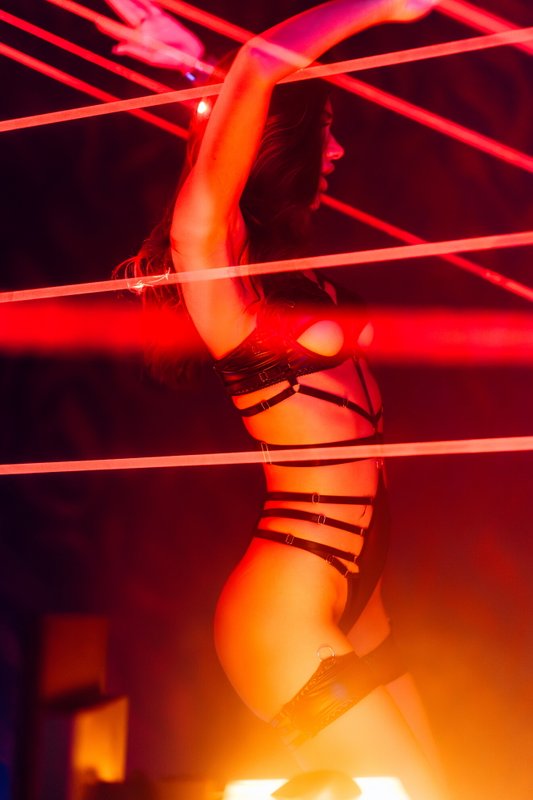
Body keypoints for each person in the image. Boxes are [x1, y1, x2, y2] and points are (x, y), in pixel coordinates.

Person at [120, 1, 448, 797]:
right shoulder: (217, 273)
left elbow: (245, 99)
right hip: (285, 609)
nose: (336, 149)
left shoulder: (275, 271)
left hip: (355, 593)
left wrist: (198, 72)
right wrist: (378, 6)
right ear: (286, 141)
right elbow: (260, 70)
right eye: (324, 128)